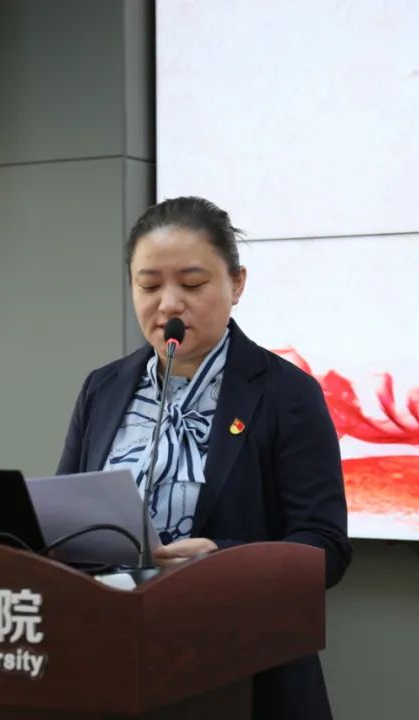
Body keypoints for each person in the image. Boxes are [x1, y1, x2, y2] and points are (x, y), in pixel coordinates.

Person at [56, 196, 351, 720]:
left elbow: (325, 547)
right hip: (114, 662)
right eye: (149, 286)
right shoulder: (103, 388)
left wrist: (222, 559)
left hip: (243, 672)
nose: (169, 305)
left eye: (192, 284)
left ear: (237, 284)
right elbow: (65, 524)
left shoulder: (286, 394)